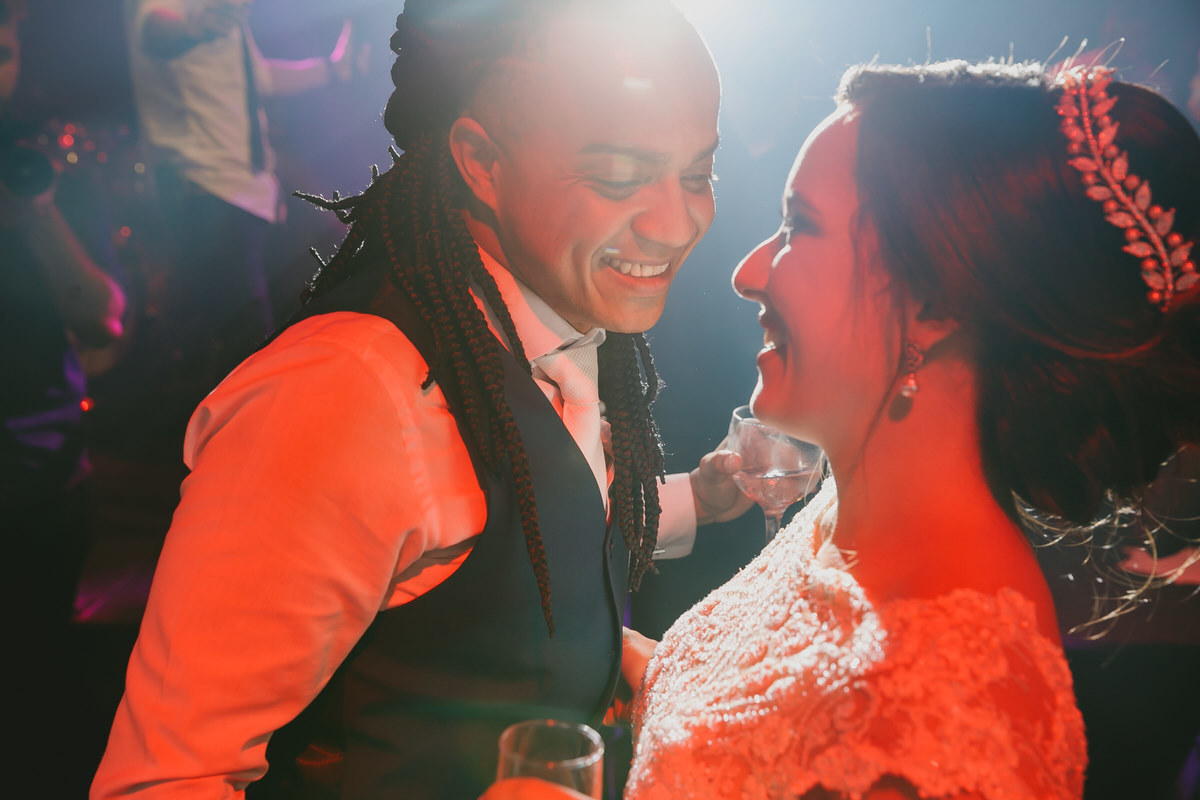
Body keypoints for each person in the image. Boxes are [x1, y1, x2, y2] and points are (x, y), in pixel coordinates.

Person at [487, 59, 1200, 800]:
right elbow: (776, 725)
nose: (747, 271)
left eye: (799, 227)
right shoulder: (843, 518)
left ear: (933, 303)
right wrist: (650, 677)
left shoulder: (946, 709)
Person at [92, 1, 749, 798]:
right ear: (480, 159)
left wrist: (602, 667)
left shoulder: (550, 326)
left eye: (698, 174)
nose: (679, 224)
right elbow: (160, 781)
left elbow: (535, 542)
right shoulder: (344, 395)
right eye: (618, 178)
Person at [123, 0, 365, 445]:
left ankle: (245, 452)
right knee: (241, 343)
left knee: (257, 335)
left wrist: (332, 70)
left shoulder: (217, 18)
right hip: (206, 194)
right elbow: (161, 31)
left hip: (244, 195)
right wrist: (201, 22)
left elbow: (258, 78)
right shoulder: (168, 9)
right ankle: (240, 462)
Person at [0, 0, 127, 794]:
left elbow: (102, 315)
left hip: (37, 481)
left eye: (3, 48)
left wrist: (31, 212)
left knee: (36, 693)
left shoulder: (34, 171)